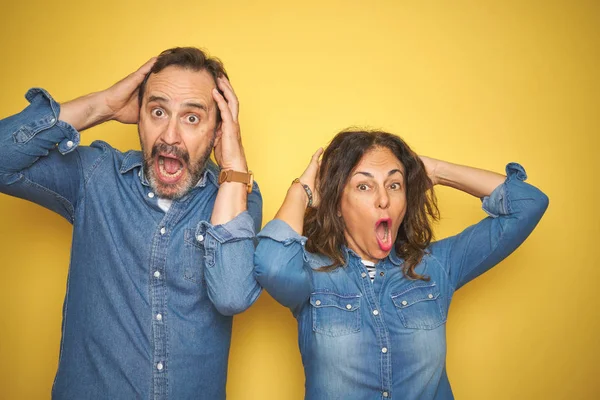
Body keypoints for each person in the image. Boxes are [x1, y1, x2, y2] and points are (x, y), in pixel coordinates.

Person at [0, 47, 262, 399]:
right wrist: (102, 106)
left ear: (218, 131)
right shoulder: (95, 176)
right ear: (138, 116)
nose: (170, 136)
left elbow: (232, 295)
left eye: (192, 118)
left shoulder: (238, 193)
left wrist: (234, 161)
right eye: (158, 112)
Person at [254, 129, 548, 400]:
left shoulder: (435, 266)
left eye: (394, 184)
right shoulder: (313, 273)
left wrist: (434, 171)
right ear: (338, 207)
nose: (384, 199)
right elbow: (273, 266)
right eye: (364, 186)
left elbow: (528, 203)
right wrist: (300, 192)